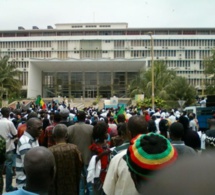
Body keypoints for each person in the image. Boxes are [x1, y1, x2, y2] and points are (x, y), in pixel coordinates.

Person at [103, 115, 148, 195]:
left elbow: (108, 190)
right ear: (147, 132)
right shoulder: (162, 157)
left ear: (129, 133)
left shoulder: (119, 158)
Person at [49, 124, 82, 195]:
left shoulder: (50, 151)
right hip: (72, 185)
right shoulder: (74, 148)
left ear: (54, 136)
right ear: (67, 136)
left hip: (57, 188)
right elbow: (79, 166)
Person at [67, 111, 93, 195]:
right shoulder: (91, 128)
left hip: (75, 160)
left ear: (76, 118)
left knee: (80, 184)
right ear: (85, 117)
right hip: (88, 159)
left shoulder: (70, 129)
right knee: (90, 184)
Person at [16, 117, 42, 188]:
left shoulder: (33, 139)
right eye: (38, 128)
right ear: (29, 128)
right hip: (25, 183)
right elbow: (28, 167)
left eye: (41, 128)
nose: (41, 130)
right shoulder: (25, 143)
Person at [88, 122, 110, 195]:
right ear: (102, 134)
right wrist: (103, 154)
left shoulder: (107, 143)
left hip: (107, 174)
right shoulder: (94, 147)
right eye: (106, 132)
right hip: (98, 176)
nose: (107, 133)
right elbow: (93, 161)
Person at [0, 107, 17, 192]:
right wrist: (11, 137)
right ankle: (8, 187)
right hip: (8, 147)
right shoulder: (9, 123)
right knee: (9, 167)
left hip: (0, 148)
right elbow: (15, 134)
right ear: (8, 113)